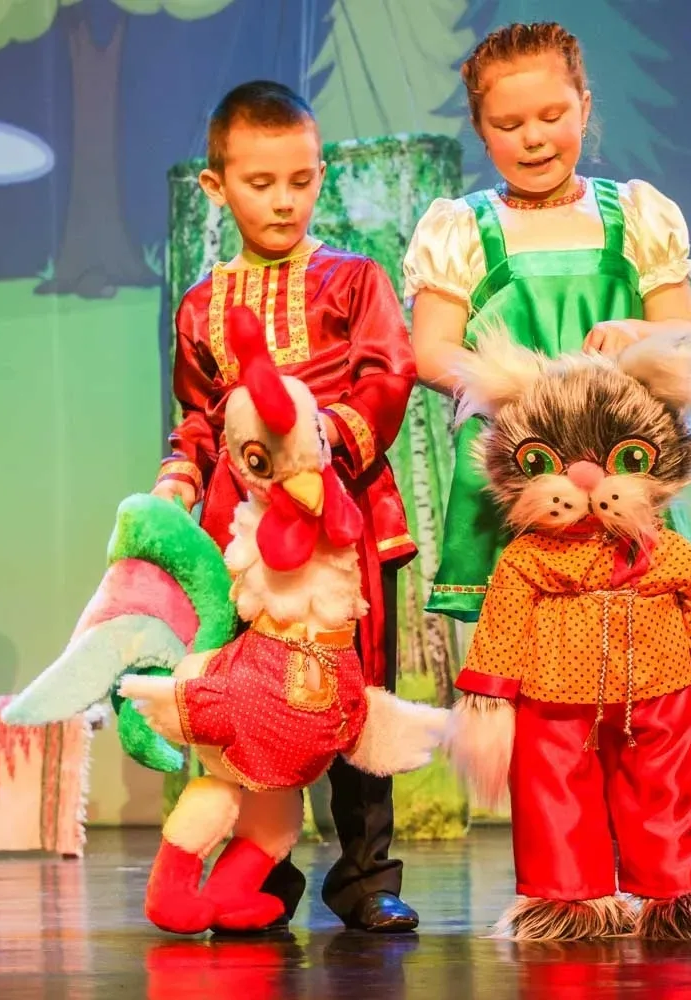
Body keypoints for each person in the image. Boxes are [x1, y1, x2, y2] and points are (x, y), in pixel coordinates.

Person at [152, 80, 420, 933]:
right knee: (249, 704)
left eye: (300, 181)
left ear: (320, 175)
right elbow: (201, 416)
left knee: (352, 694)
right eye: (260, 182)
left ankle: (366, 876)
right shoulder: (203, 305)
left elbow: (387, 377)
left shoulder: (354, 280)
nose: (283, 201)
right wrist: (180, 476)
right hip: (245, 541)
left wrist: (321, 441)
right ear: (216, 185)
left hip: (344, 530)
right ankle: (262, 877)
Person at [403, 22, 691, 622]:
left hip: (622, 464)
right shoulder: (462, 229)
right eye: (508, 125)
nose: (534, 138)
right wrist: (520, 384)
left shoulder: (635, 214)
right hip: (524, 467)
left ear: (584, 108)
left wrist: (636, 336)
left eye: (551, 116)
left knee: (636, 633)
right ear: (481, 129)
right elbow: (431, 351)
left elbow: (686, 335)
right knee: (527, 639)